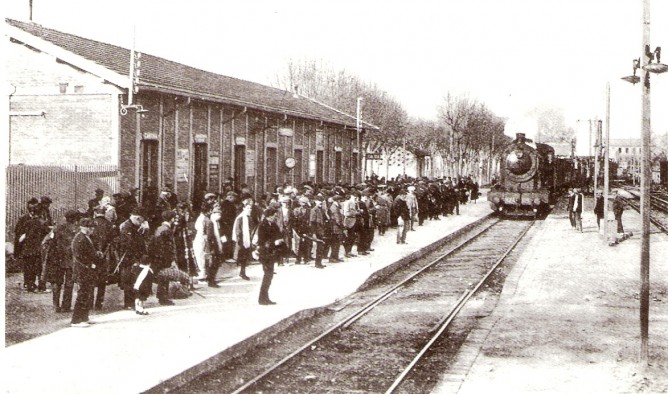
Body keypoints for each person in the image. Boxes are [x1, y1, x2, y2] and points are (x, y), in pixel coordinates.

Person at [71, 218, 101, 327]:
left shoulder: (86, 237)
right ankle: (76, 320)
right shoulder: (80, 239)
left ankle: (84, 317)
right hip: (83, 270)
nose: (93, 230)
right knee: (82, 294)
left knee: (87, 294)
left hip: (87, 270)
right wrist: (91, 263)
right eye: (91, 228)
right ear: (85, 228)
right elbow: (80, 257)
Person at [47, 210, 79, 312]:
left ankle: (56, 305)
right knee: (69, 283)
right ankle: (66, 306)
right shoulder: (75, 229)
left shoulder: (57, 228)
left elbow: (50, 242)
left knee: (57, 282)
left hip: (57, 259)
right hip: (70, 259)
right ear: (74, 219)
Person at [15, 198, 48, 292]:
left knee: (34, 265)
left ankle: (32, 283)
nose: (33, 212)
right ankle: (29, 283)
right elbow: (18, 232)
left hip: (34, 246)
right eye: (32, 210)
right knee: (29, 265)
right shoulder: (24, 219)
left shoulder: (39, 220)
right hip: (27, 246)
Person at [117, 210, 149, 311]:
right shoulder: (127, 227)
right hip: (128, 258)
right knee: (128, 280)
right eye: (140, 221)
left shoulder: (133, 226)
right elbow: (130, 244)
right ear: (136, 218)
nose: (141, 224)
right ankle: (129, 303)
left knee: (133, 280)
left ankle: (131, 302)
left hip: (133, 257)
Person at [148, 210, 178, 306]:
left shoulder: (159, 228)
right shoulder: (167, 230)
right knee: (165, 278)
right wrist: (173, 259)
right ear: (171, 219)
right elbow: (169, 247)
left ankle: (161, 296)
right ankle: (163, 298)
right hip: (165, 258)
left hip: (158, 257)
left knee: (162, 278)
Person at [90, 206, 115, 310]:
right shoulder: (109, 224)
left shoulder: (91, 223)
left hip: (93, 254)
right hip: (105, 255)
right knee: (102, 279)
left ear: (96, 213)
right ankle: (99, 303)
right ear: (104, 213)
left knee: (91, 278)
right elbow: (112, 239)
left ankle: (90, 302)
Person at [257, 207, 283, 305]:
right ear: (269, 216)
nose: (275, 218)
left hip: (271, 253)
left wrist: (279, 240)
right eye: (274, 216)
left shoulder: (273, 224)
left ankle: (265, 297)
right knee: (267, 275)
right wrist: (274, 242)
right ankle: (262, 298)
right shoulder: (262, 225)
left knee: (269, 275)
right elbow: (262, 240)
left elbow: (279, 235)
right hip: (265, 253)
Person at [232, 198, 254, 280]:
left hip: (247, 240)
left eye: (251, 208)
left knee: (245, 258)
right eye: (248, 208)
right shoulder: (240, 218)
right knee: (242, 257)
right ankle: (242, 272)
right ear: (244, 208)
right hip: (241, 241)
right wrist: (240, 241)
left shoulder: (249, 218)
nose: (250, 210)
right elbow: (238, 231)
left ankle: (242, 272)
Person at [309, 195, 328, 268]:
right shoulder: (314, 210)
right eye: (320, 203)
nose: (321, 204)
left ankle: (319, 262)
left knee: (321, 247)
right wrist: (313, 233)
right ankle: (317, 263)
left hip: (320, 230)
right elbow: (312, 222)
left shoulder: (320, 210)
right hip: (317, 231)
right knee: (319, 247)